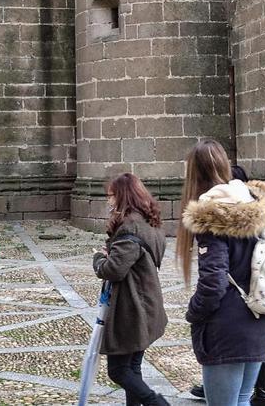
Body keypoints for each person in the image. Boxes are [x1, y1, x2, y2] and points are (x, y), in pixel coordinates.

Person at [179, 140, 265, 406]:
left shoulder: (212, 215)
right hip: (258, 318)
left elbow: (213, 282)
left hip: (227, 329)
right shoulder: (251, 203)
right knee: (242, 400)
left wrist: (194, 312)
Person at [93, 172, 170, 406]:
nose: (109, 201)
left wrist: (98, 259)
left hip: (132, 307)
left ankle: (157, 403)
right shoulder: (150, 221)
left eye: (111, 196)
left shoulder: (129, 226)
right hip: (147, 301)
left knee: (118, 370)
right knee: (132, 368)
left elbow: (113, 270)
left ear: (122, 196)